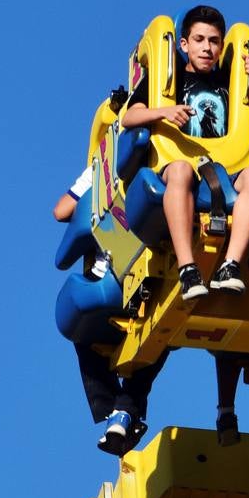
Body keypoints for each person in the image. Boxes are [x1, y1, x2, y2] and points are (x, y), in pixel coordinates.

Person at [122, 4, 249, 301]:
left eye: (214, 41)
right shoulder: (169, 77)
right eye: (200, 40)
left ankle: (231, 265)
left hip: (226, 165)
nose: (206, 48)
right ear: (184, 44)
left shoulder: (230, 82)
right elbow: (129, 117)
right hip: (181, 162)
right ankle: (188, 268)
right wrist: (164, 111)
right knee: (180, 170)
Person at [54, 169, 168, 456]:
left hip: (131, 272)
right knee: (153, 330)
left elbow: (62, 210)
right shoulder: (107, 164)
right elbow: (61, 210)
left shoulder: (114, 163)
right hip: (128, 272)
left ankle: (120, 413)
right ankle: (122, 413)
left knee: (152, 326)